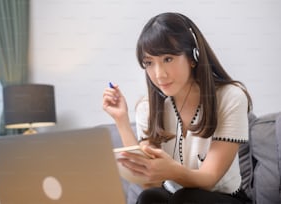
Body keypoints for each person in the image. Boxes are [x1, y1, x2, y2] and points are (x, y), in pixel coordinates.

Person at [102, 12, 252, 204]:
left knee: (185, 197)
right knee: (149, 197)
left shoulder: (230, 97)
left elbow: (210, 178)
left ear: (193, 56)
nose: (159, 74)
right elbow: (150, 184)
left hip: (223, 197)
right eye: (149, 63)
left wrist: (172, 169)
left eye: (168, 59)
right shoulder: (148, 108)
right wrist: (121, 119)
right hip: (175, 198)